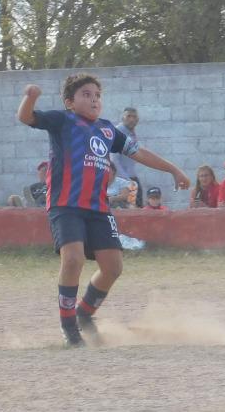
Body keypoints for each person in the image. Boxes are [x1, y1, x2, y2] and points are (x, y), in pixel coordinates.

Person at [17, 74, 189, 347]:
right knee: (72, 259)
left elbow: (140, 153)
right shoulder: (63, 120)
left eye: (97, 95)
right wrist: (31, 97)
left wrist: (173, 169)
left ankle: (84, 313)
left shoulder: (109, 130)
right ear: (69, 102)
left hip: (98, 208)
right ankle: (69, 327)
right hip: (66, 205)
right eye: (86, 94)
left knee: (113, 267)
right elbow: (26, 118)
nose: (94, 99)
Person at [110, 107, 144, 207]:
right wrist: (126, 180)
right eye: (129, 116)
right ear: (123, 118)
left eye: (134, 117)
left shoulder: (132, 133)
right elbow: (114, 159)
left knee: (138, 210)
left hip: (131, 177)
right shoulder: (118, 132)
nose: (132, 119)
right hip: (121, 179)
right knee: (125, 211)